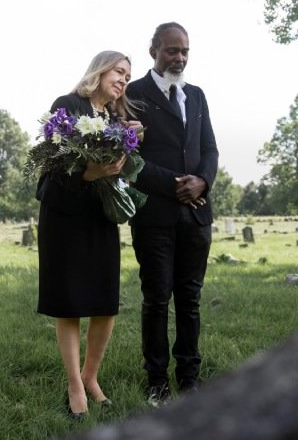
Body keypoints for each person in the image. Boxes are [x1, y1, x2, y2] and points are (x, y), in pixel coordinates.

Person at [36, 50, 141, 419]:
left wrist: (129, 146)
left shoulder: (115, 119)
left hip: (99, 218)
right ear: (100, 70)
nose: (124, 80)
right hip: (65, 216)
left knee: (104, 302)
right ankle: (74, 384)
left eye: (128, 76)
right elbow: (51, 169)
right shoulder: (67, 105)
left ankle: (91, 376)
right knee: (69, 305)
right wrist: (89, 174)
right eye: (119, 71)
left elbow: (122, 173)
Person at [125, 22, 219, 406]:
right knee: (157, 299)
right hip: (155, 216)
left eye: (184, 52)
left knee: (190, 300)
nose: (178, 58)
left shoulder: (196, 96)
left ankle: (189, 377)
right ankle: (157, 381)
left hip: (197, 216)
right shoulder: (133, 94)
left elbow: (210, 150)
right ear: (154, 51)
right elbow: (129, 158)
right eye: (171, 50)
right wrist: (175, 184)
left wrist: (202, 182)